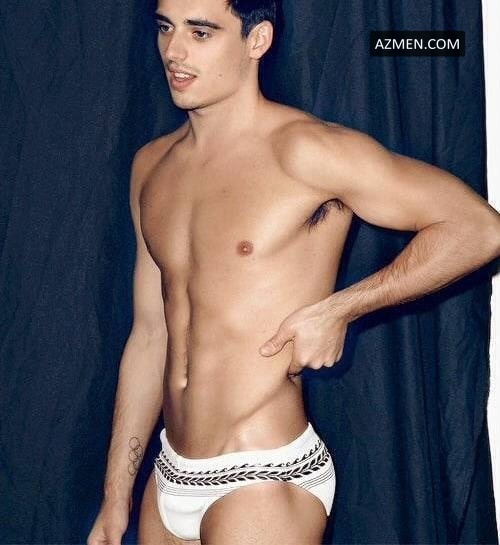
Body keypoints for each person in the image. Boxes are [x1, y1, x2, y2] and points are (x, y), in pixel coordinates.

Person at [87, 0, 500, 543]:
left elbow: (478, 229)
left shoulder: (305, 150)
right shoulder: (151, 165)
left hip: (263, 475)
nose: (174, 51)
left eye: (201, 33)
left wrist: (342, 308)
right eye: (166, 28)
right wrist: (116, 496)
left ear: (256, 40)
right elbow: (150, 335)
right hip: (170, 474)